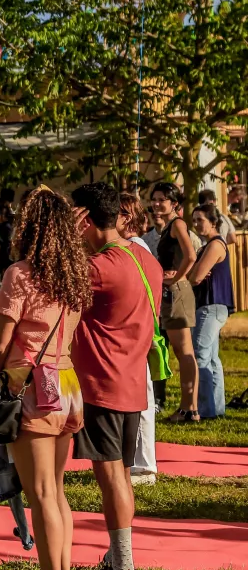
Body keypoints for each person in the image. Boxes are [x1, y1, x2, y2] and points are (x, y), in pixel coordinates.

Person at [0, 188, 91, 570]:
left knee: (41, 493)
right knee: (56, 490)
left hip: (30, 385)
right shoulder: (74, 276)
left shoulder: (20, 275)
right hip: (66, 384)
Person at [70, 181, 160, 570]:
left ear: (85, 220)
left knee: (111, 479)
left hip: (102, 384)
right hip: (131, 381)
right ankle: (117, 559)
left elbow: (45, 281)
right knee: (121, 475)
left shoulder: (98, 268)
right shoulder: (144, 259)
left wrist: (66, 239)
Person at [116, 192, 160, 486]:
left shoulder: (137, 246)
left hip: (136, 333)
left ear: (127, 216)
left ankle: (144, 466)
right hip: (132, 332)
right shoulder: (127, 246)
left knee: (142, 399)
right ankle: (134, 461)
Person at [145, 182, 199, 422]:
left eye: (162, 199)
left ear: (174, 203)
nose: (156, 204)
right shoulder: (168, 226)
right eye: (154, 199)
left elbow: (191, 255)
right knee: (181, 351)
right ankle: (188, 408)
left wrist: (175, 279)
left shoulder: (177, 224)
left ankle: (189, 409)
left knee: (184, 351)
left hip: (176, 291)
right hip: (171, 291)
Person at [188, 204, 231, 421]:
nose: (196, 224)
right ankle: (216, 407)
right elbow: (196, 273)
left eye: (200, 220)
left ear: (213, 222)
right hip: (211, 306)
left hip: (211, 305)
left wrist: (188, 275)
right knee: (212, 358)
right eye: (194, 220)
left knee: (201, 356)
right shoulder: (207, 246)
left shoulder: (215, 245)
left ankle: (205, 409)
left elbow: (196, 277)